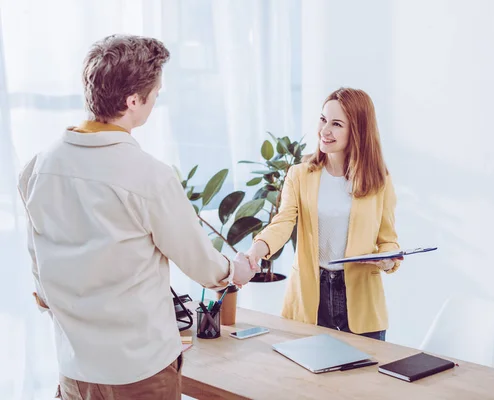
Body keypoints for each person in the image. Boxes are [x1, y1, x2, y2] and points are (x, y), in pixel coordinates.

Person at [17, 34, 256, 400]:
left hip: (73, 370)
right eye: (155, 94)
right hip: (138, 373)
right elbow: (203, 264)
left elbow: (40, 270)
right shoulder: (148, 176)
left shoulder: (37, 167)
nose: (156, 100)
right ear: (132, 101)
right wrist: (233, 271)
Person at [246, 87, 403, 341]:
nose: (324, 130)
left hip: (362, 301)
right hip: (311, 295)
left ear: (358, 131)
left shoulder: (379, 182)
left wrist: (387, 260)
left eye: (337, 124)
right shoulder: (300, 175)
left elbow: (388, 241)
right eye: (323, 120)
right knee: (308, 379)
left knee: (364, 379)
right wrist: (256, 251)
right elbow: (282, 223)